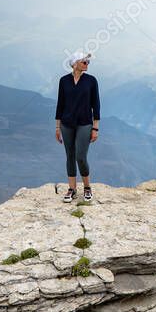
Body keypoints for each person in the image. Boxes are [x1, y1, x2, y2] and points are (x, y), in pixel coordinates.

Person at [54, 52, 100, 202]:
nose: (87, 64)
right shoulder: (64, 81)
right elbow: (60, 104)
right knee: (70, 156)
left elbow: (96, 105)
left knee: (80, 156)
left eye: (88, 62)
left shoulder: (91, 81)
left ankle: (87, 187)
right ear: (75, 64)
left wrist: (95, 128)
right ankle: (72, 189)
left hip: (85, 123)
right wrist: (57, 127)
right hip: (66, 124)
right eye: (84, 62)